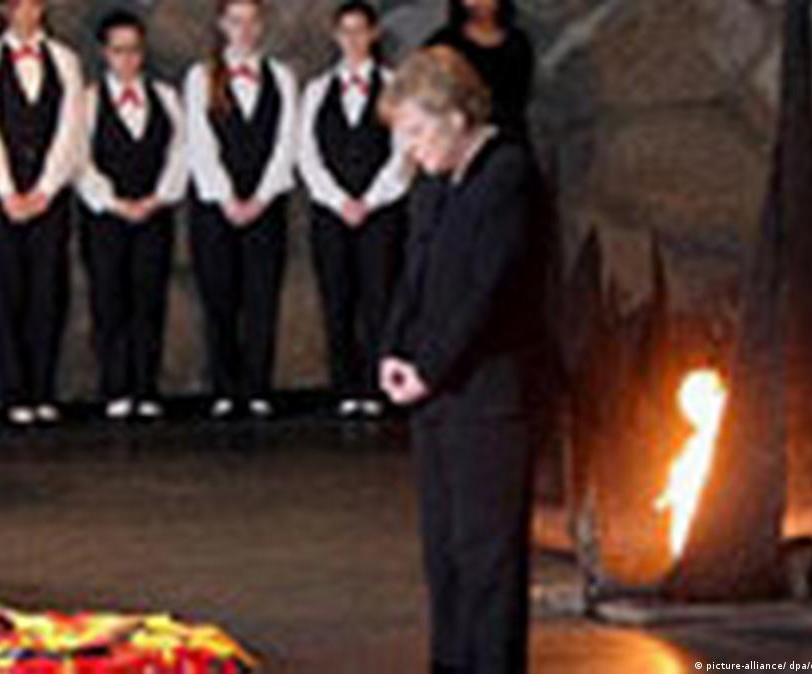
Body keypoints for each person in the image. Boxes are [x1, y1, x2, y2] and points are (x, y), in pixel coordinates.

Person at [380, 49, 546, 674]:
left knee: (488, 555)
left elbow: (487, 291)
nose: (411, 148)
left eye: (417, 131)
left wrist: (431, 367)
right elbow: (414, 275)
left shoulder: (507, 172)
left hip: (491, 393)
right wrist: (396, 351)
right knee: (444, 552)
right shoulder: (432, 182)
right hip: (437, 391)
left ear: (455, 116)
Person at [0, 0, 84, 429]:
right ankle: (14, 394)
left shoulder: (66, 60)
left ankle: (43, 391)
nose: (26, 10)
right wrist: (6, 190)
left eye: (34, 3)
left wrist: (46, 188)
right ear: (4, 10)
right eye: (17, 4)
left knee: (48, 293)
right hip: (1, 197)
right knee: (7, 294)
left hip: (50, 197)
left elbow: (70, 128)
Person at [184, 0, 298, 420]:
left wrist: (261, 197)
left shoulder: (282, 77)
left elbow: (286, 142)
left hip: (267, 204)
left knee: (262, 297)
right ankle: (224, 388)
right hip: (215, 206)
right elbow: (199, 142)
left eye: (252, 21)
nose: (245, 29)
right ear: (222, 25)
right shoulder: (200, 76)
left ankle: (257, 387)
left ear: (262, 24)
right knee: (219, 297)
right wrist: (228, 197)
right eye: (236, 21)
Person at [298, 0, 412, 419]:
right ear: (335, 36)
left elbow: (404, 152)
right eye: (345, 31)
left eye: (360, 30)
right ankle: (346, 388)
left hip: (382, 211)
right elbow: (306, 153)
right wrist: (339, 200)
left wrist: (371, 199)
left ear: (374, 34)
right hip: (331, 213)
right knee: (337, 298)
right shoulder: (316, 90)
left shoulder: (394, 85)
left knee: (380, 299)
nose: (353, 39)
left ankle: (378, 386)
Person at [76, 10, 187, 422]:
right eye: (119, 50)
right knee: (109, 301)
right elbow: (79, 160)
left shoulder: (166, 97)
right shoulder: (88, 101)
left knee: (149, 300)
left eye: (134, 50)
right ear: (105, 53)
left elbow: (180, 151)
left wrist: (158, 197)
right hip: (106, 218)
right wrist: (113, 201)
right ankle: (116, 388)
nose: (127, 58)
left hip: (154, 214)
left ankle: (146, 387)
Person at [425, 0, 534, 140]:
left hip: (500, 134)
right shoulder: (444, 42)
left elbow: (515, 104)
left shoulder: (518, 44)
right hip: (448, 132)